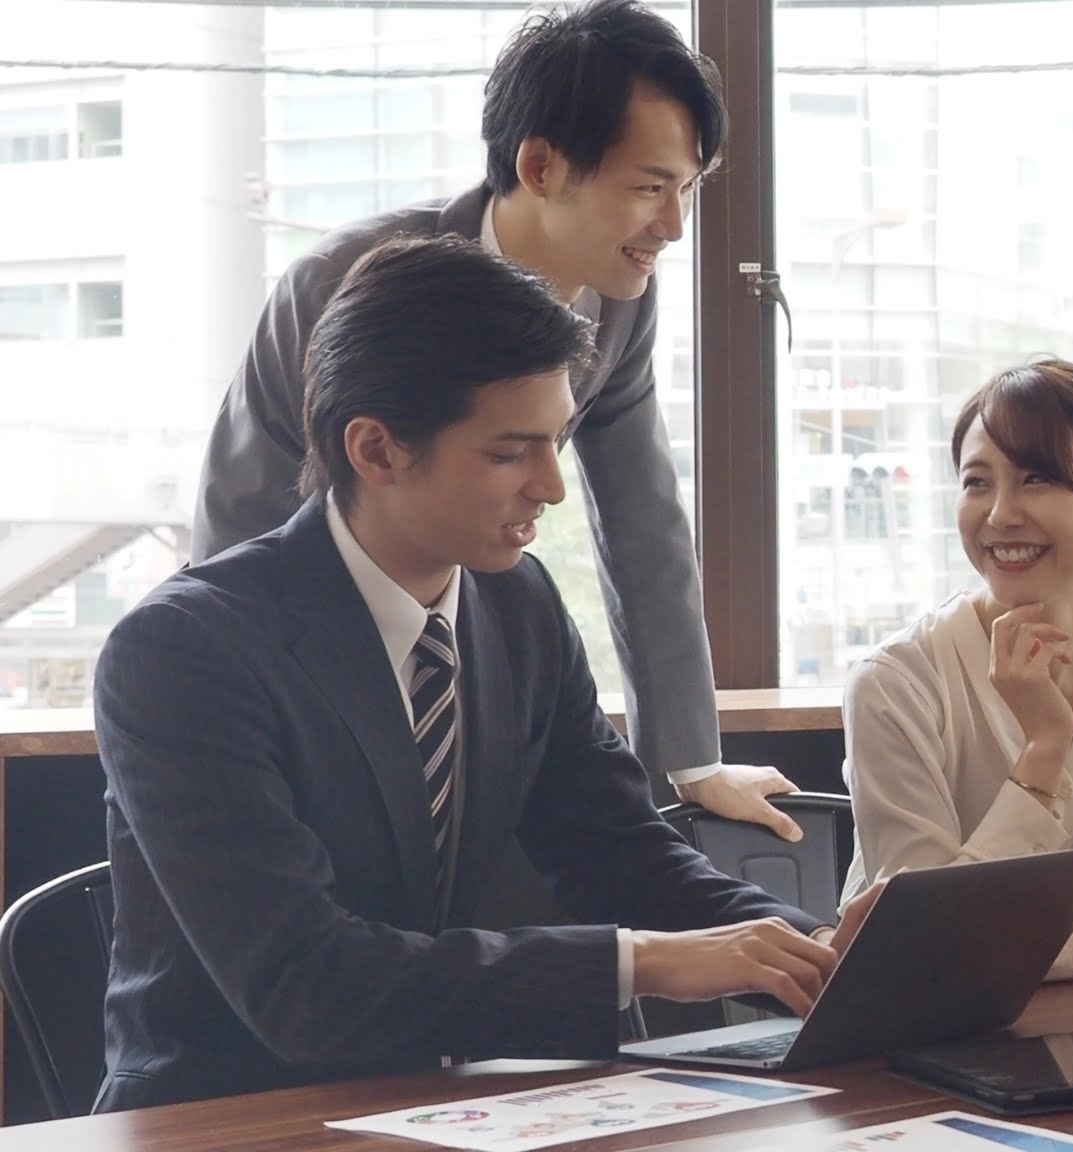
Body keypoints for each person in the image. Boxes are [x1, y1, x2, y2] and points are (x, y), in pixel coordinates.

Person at [94, 237, 882, 1113]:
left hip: (443, 1109)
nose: (551, 486)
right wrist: (647, 962)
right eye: (512, 452)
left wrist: (820, 951)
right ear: (377, 450)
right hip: (221, 1121)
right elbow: (306, 984)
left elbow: (617, 848)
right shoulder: (184, 652)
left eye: (560, 442)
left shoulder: (517, 606)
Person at [190, 0, 800, 838]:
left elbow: (643, 523)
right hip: (297, 683)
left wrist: (689, 763)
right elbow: (243, 518)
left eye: (688, 191)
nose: (674, 227)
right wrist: (254, 739)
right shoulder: (348, 287)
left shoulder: (620, 302)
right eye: (649, 188)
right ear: (542, 165)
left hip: (463, 685)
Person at [837, 359, 1073, 980]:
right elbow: (925, 940)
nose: (1000, 514)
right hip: (923, 1043)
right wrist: (1043, 753)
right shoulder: (894, 682)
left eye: (1037, 478)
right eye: (977, 482)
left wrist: (1005, 954)